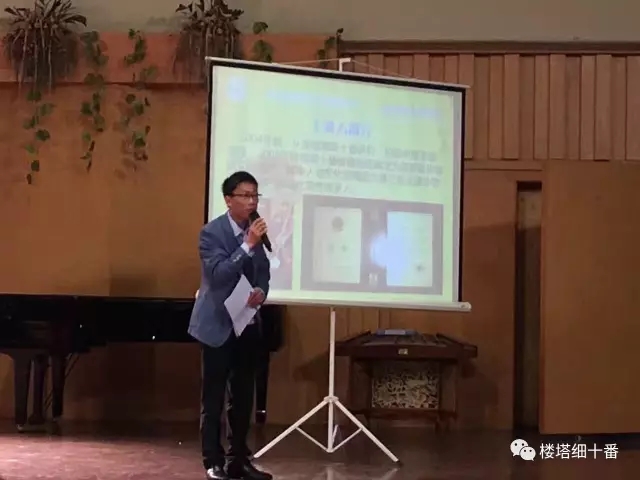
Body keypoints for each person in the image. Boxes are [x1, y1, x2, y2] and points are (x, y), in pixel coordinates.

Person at [188, 171, 273, 480]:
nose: (252, 202)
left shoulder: (255, 231)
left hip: (246, 322)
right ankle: (213, 461)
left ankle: (239, 459)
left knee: (243, 396)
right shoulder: (211, 233)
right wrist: (247, 245)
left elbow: (263, 271)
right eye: (245, 195)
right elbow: (219, 275)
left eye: (255, 196)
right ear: (228, 199)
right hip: (217, 324)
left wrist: (261, 292)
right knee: (213, 398)